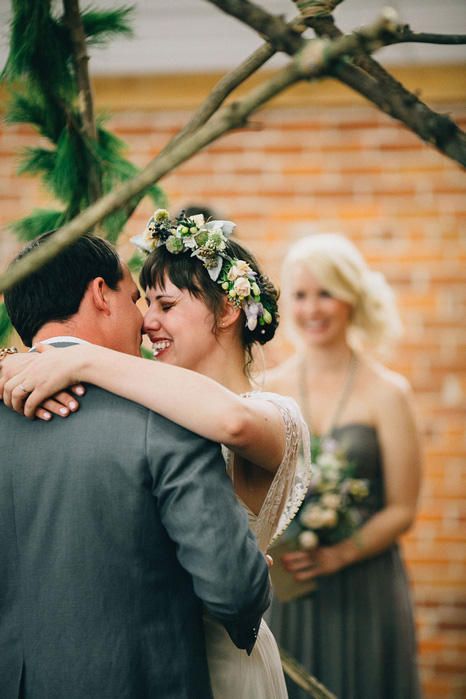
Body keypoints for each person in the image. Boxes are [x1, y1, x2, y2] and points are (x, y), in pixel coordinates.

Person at [1, 211, 311, 699]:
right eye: (142, 301)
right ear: (101, 295)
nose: (147, 322)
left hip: (213, 667)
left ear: (228, 310)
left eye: (164, 304)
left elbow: (232, 422)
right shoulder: (156, 414)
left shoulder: (262, 415)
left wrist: (76, 355)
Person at [262, 233, 423, 699]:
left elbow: (403, 508)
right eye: (300, 295)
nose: (312, 309)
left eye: (325, 293)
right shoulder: (268, 388)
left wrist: (339, 555)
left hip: (363, 583)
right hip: (288, 584)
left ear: (352, 297)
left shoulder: (389, 393)